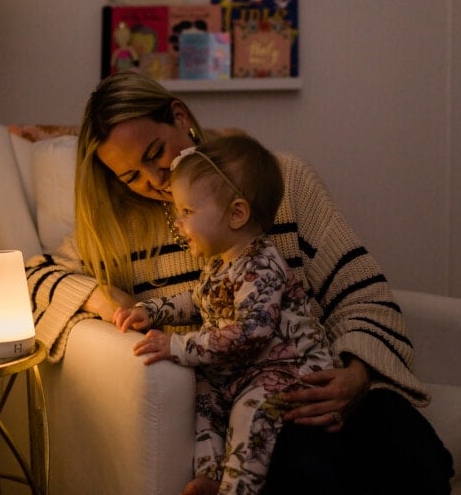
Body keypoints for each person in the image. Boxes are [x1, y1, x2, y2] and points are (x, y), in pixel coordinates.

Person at [25, 72, 453, 493]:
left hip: (322, 377)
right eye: (130, 176)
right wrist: (105, 298)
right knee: (309, 469)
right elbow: (32, 275)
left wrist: (357, 374)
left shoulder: (285, 179)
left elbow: (360, 292)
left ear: (180, 116)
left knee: (419, 455)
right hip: (245, 407)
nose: (154, 180)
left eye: (155, 153)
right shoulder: (116, 230)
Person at [112, 135, 336, 495]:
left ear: (236, 214)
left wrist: (178, 345)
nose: (179, 224)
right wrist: (151, 311)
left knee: (251, 411)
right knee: (205, 400)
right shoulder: (221, 263)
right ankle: (209, 475)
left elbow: (251, 332)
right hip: (241, 370)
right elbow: (198, 300)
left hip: (289, 373)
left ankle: (237, 487)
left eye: (187, 212)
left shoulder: (261, 264)